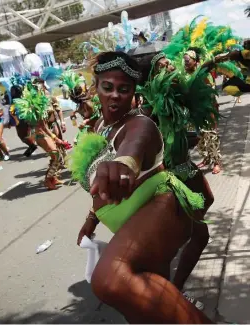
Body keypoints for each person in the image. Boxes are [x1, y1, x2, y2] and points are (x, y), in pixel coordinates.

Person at [70, 51, 212, 323]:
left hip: (160, 207)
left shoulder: (140, 123)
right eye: (107, 87)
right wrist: (91, 219)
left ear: (134, 91)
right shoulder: (100, 126)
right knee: (145, 308)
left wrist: (123, 167)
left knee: (111, 279)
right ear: (95, 87)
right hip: (132, 221)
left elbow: (130, 152)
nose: (115, 95)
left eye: (124, 89)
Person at [138, 51, 217, 308]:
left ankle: (168, 286)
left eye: (169, 62)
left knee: (207, 202)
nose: (171, 66)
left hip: (186, 168)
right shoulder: (148, 111)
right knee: (198, 234)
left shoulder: (170, 98)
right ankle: (171, 293)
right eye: (163, 67)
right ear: (151, 79)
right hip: (171, 178)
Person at [14, 81, 65, 190]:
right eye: (40, 90)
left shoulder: (36, 107)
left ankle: (52, 178)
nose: (43, 91)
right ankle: (48, 180)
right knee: (57, 157)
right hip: (42, 136)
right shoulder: (36, 108)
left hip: (41, 135)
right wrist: (56, 138)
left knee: (56, 156)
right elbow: (43, 127)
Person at [184, 48, 222, 174]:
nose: (186, 62)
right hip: (194, 112)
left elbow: (211, 92)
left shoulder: (204, 73)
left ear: (195, 61)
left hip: (207, 109)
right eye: (184, 60)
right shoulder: (184, 75)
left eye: (188, 60)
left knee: (211, 135)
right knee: (199, 137)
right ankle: (207, 158)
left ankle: (216, 162)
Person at [9, 83, 38, 157]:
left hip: (21, 120)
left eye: (12, 91)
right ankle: (31, 146)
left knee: (23, 136)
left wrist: (15, 121)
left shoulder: (15, 101)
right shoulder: (21, 99)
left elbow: (12, 112)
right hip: (24, 119)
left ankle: (32, 146)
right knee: (24, 135)